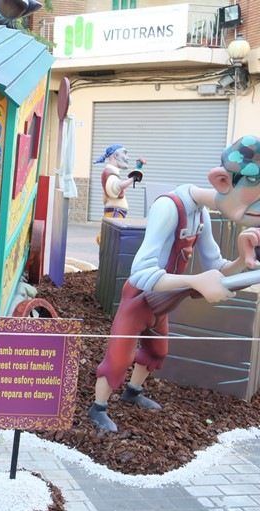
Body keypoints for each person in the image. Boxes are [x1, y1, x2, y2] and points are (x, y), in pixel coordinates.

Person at [89, 135, 260, 432]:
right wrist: (195, 281)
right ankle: (98, 407)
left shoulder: (201, 213)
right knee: (119, 358)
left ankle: (133, 392)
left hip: (164, 300)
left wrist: (243, 261)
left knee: (157, 351)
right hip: (139, 299)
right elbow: (141, 273)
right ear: (221, 181)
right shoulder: (169, 207)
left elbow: (217, 269)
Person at [94, 144, 135, 245]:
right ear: (115, 156)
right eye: (125, 153)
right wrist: (133, 179)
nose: (127, 157)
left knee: (110, 237)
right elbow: (116, 187)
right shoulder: (109, 173)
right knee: (110, 237)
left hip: (116, 211)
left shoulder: (111, 172)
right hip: (115, 212)